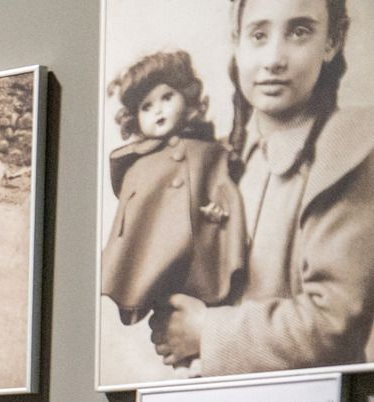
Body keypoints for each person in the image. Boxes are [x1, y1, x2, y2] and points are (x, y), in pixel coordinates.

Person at [155, 0, 374, 373]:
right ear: (237, 41)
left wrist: (207, 331)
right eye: (259, 35)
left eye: (299, 32)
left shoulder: (351, 151)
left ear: (332, 41)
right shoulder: (222, 156)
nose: (274, 58)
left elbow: (333, 323)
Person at [100, 50, 245, 327]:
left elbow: (220, 180)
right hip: (162, 262)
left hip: (203, 253)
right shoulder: (138, 167)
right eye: (147, 106)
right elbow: (133, 224)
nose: (158, 110)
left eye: (167, 97)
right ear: (135, 118)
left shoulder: (205, 150)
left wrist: (218, 204)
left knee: (207, 307)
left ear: (186, 99)